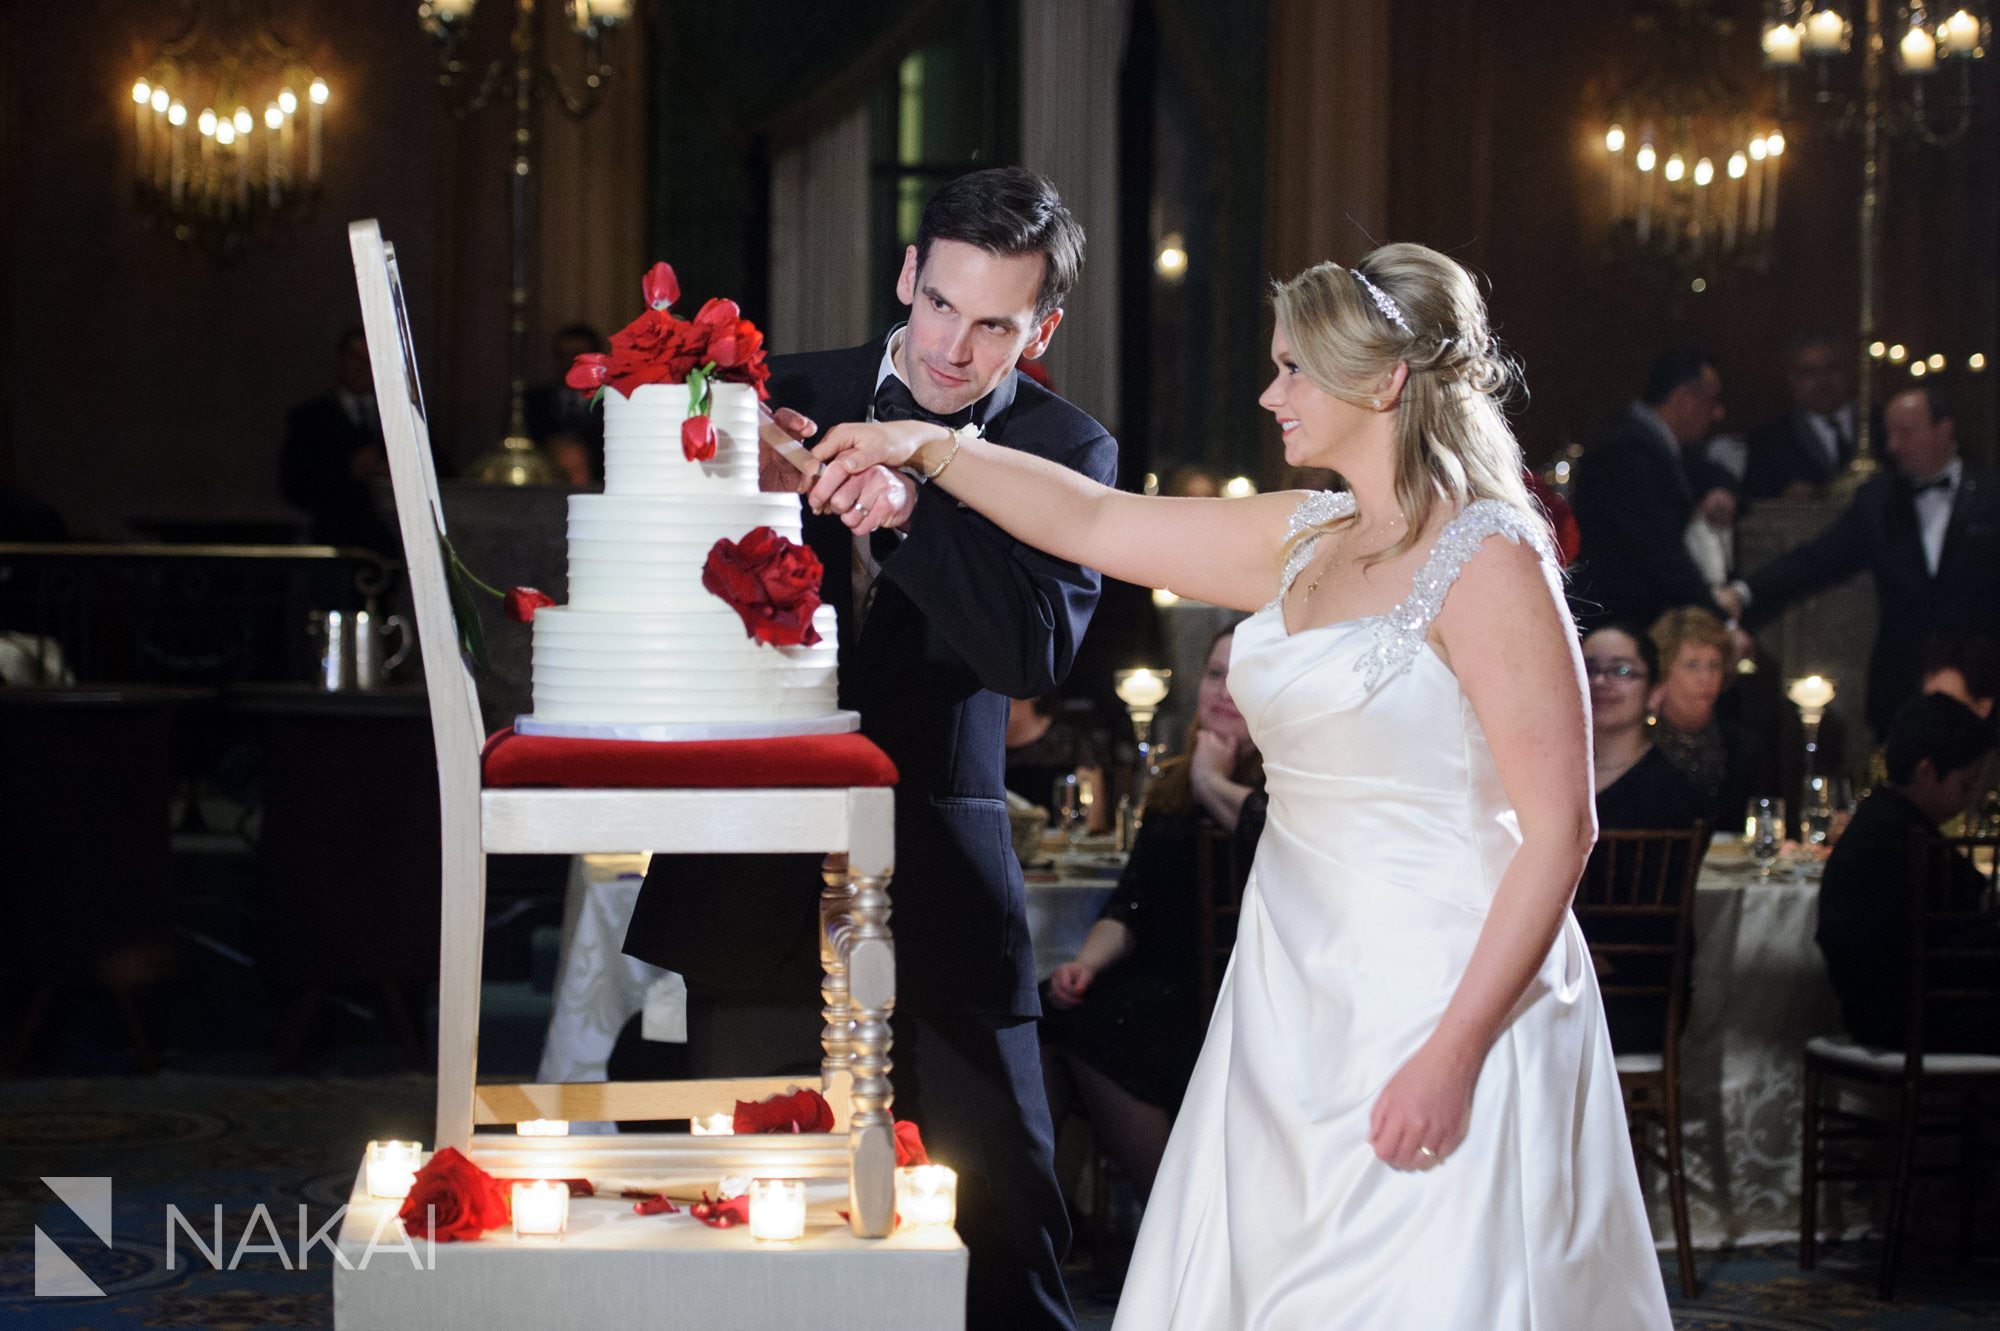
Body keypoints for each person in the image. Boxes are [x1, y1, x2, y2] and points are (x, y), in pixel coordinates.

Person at [812, 244, 1671, 1328]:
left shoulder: (1489, 554)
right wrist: (922, 445)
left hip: (1442, 986)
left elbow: (1560, 828)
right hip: (1287, 984)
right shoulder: (1304, 533)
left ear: (1383, 381)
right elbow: (1090, 519)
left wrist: (1453, 1052)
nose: (1270, 395)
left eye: (1293, 370)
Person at [620, 167, 1115, 1331]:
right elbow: (655, 609)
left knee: (1002, 1242)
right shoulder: (773, 391)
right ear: (906, 276)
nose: (953, 345)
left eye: (994, 322)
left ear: (1038, 328)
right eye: (941, 302)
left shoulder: (1065, 447)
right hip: (748, 883)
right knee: (738, 1246)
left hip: (940, 889)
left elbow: (1032, 652)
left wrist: (906, 512)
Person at [1040, 627, 1264, 1199]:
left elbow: (1270, 836)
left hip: (1232, 992)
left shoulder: (1286, 780)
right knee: (1051, 1008)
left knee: (1090, 1030)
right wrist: (1086, 963)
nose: (1222, 690)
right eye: (1215, 673)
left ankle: (1175, 1210)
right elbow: (1131, 901)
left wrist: (1209, 781)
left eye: (1241, 676)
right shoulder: (1170, 781)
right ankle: (1038, 1222)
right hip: (1159, 979)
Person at [1719, 380, 2000, 734]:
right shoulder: (1878, 502)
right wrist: (1743, 593)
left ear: (1944, 431)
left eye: (1906, 433)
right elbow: (1816, 560)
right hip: (1901, 687)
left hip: (1983, 683)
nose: (1893, 446)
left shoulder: (1991, 496)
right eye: (1889, 434)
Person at [1817, 693, 2000, 1052]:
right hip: (1914, 1018)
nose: (1972, 796)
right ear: (1926, 772)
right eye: (1966, 784)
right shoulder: (1906, 841)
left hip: (1886, 1014)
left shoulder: (1882, 821)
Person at [1580, 624, 1707, 1054]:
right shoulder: (1547, 782)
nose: (1600, 682)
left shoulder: (1670, 791)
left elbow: (1660, 924)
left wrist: (1578, 963)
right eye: (1588, 668)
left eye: (1621, 670)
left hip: (1628, 996)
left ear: (1654, 692)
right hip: (1556, 978)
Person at [1570, 345, 1736, 629]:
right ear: (1684, 399)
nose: (1718, 413)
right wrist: (1720, 623)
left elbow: (1710, 475)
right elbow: (1660, 552)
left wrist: (1719, 489)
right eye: (1711, 402)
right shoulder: (1627, 449)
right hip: (1620, 620)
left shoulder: (1649, 442)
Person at [280, 327, 396, 553]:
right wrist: (348, 471)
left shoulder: (399, 419)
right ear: (340, 360)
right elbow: (293, 485)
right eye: (355, 358)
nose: (363, 367)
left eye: (369, 358)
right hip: (332, 545)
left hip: (390, 549)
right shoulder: (310, 418)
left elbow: (440, 470)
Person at [1648, 606, 1753, 833]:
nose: (1706, 678)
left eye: (1714, 665)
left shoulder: (1740, 744)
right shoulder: (1640, 742)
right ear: (1664, 670)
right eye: (1692, 665)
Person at [1741, 332, 1858, 502]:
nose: (1822, 381)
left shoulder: (1882, 424)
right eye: (1809, 372)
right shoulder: (1769, 440)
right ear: (1791, 378)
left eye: (1832, 369)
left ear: (1848, 371)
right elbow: (1754, 499)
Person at [525, 322, 608, 486]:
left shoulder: (611, 403)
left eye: (577, 356)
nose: (569, 363)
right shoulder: (534, 400)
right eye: (562, 356)